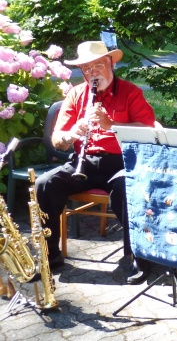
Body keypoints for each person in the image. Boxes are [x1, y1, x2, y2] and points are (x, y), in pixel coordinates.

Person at [35, 41, 156, 285]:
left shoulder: (130, 92)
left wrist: (110, 126)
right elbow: (58, 140)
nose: (93, 73)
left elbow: (148, 130)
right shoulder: (76, 94)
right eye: (87, 69)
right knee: (46, 183)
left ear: (110, 63)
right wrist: (72, 134)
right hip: (84, 161)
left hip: (122, 161)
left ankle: (138, 258)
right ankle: (50, 254)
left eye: (98, 66)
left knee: (126, 190)